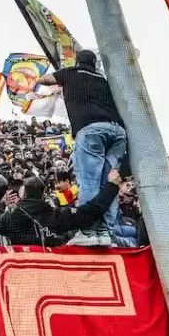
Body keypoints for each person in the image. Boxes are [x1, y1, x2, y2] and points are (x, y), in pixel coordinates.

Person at [38, 49, 128, 247]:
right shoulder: (102, 79)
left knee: (89, 182)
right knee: (110, 183)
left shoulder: (71, 73)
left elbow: (44, 80)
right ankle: (106, 233)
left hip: (90, 131)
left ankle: (88, 232)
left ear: (78, 62)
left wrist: (45, 72)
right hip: (117, 133)